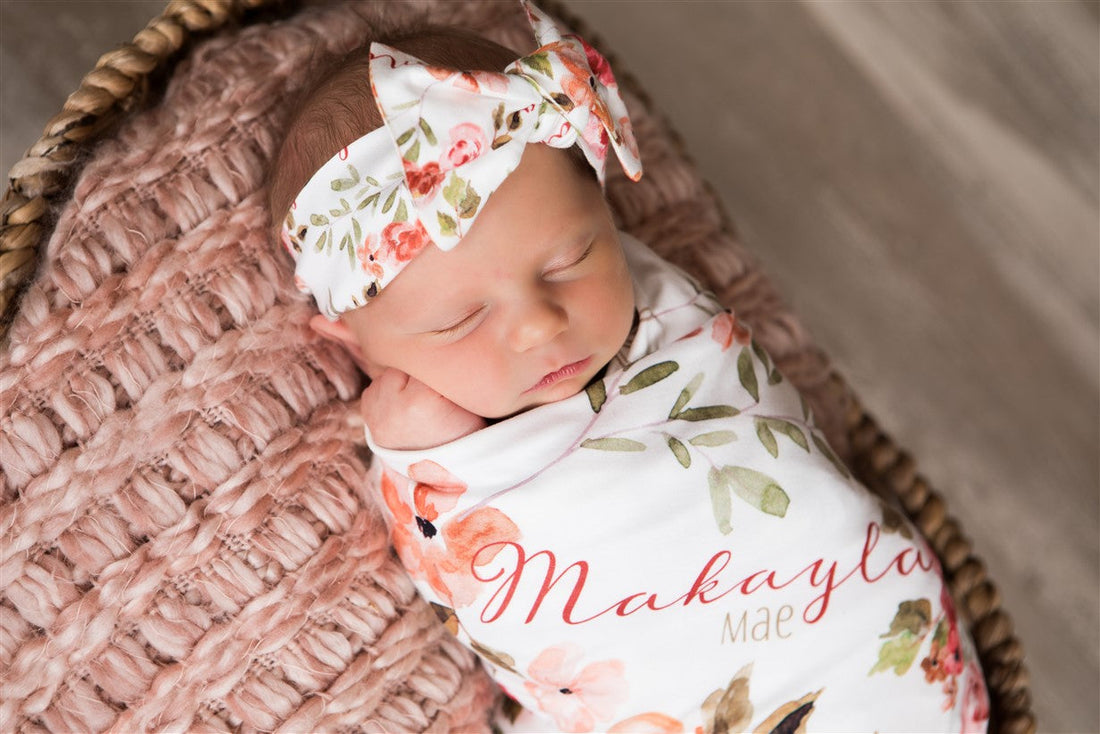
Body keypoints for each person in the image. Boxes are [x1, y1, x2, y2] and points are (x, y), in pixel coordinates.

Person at [269, 3, 989, 731]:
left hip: (853, 630)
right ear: (356, 344)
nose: (539, 324)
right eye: (460, 320)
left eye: (571, 259)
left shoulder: (662, 317)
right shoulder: (427, 428)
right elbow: (468, 555)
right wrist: (411, 439)